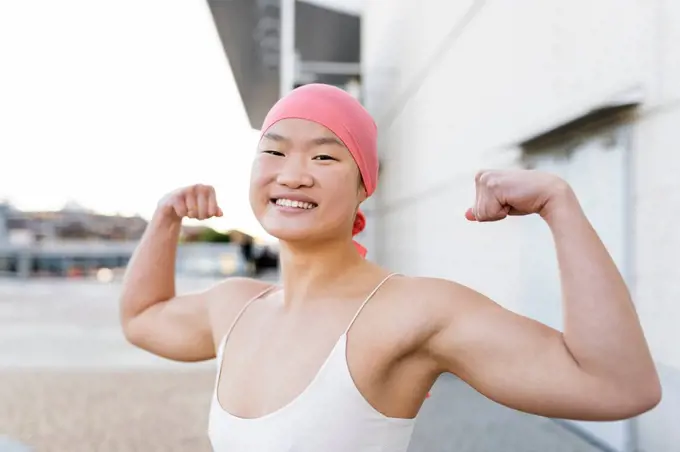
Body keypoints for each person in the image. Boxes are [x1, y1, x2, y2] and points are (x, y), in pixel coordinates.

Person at [119, 84, 661, 451]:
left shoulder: (410, 311)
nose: (294, 175)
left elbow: (616, 386)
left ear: (364, 189)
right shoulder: (234, 307)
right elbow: (141, 318)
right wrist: (165, 217)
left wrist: (559, 205)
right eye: (275, 152)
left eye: (326, 157)